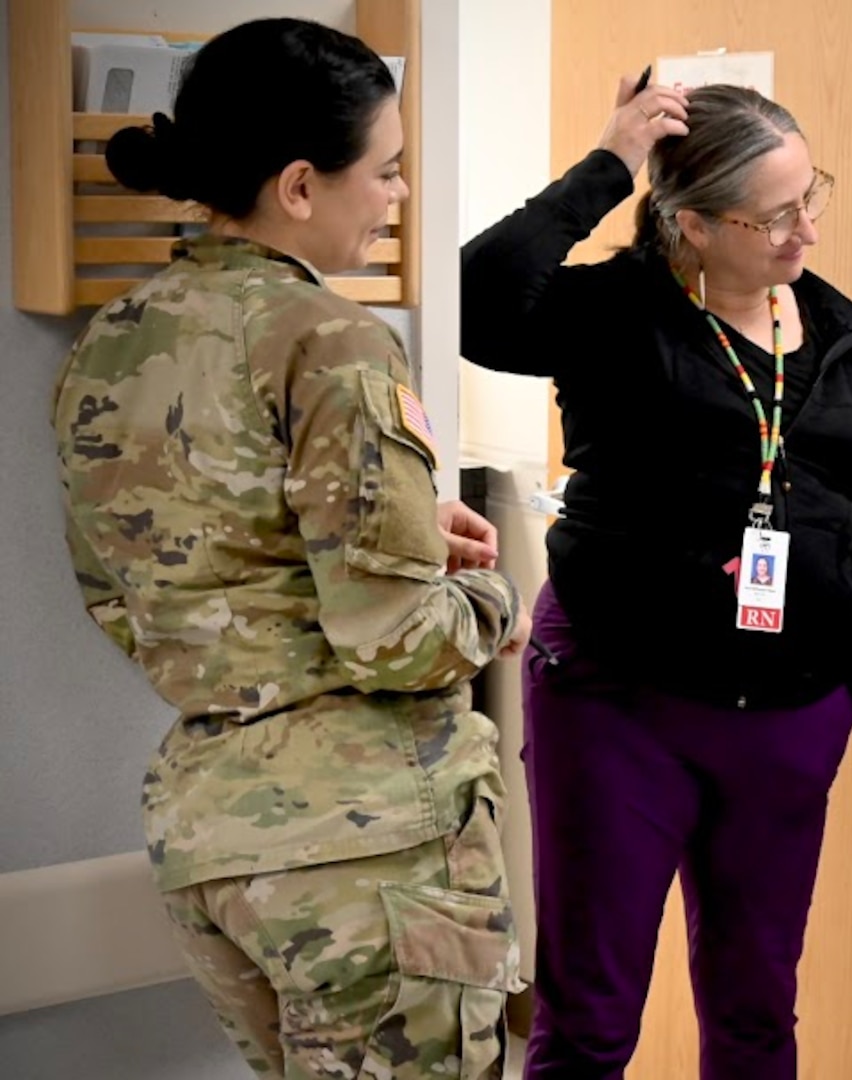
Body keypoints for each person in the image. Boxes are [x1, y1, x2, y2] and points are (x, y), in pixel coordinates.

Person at [53, 18, 530, 1078]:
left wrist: (399, 540)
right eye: (389, 172)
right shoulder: (332, 338)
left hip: (209, 834)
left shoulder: (119, 334)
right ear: (302, 185)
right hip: (365, 847)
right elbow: (396, 643)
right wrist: (495, 598)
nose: (399, 197)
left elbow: (131, 590)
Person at [461, 79, 852, 1079]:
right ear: (693, 225)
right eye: (777, 215)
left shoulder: (838, 333)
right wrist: (605, 168)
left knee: (757, 1013)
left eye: (810, 197)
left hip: (790, 717)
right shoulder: (615, 316)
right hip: (621, 706)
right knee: (589, 1020)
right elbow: (476, 299)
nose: (808, 233)